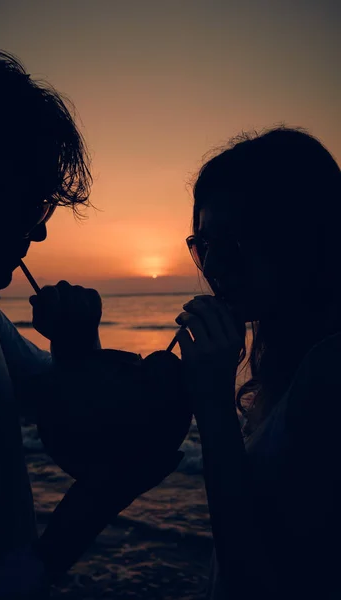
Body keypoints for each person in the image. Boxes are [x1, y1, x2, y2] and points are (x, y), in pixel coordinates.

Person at [0, 33, 180, 599]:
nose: (42, 228)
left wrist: (78, 342)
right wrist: (97, 502)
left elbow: (62, 402)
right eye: (32, 199)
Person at [175, 127, 341, 599]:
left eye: (235, 246)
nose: (215, 267)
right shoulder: (288, 361)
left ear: (305, 243)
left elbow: (259, 579)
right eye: (203, 246)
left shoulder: (329, 373)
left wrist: (211, 405)